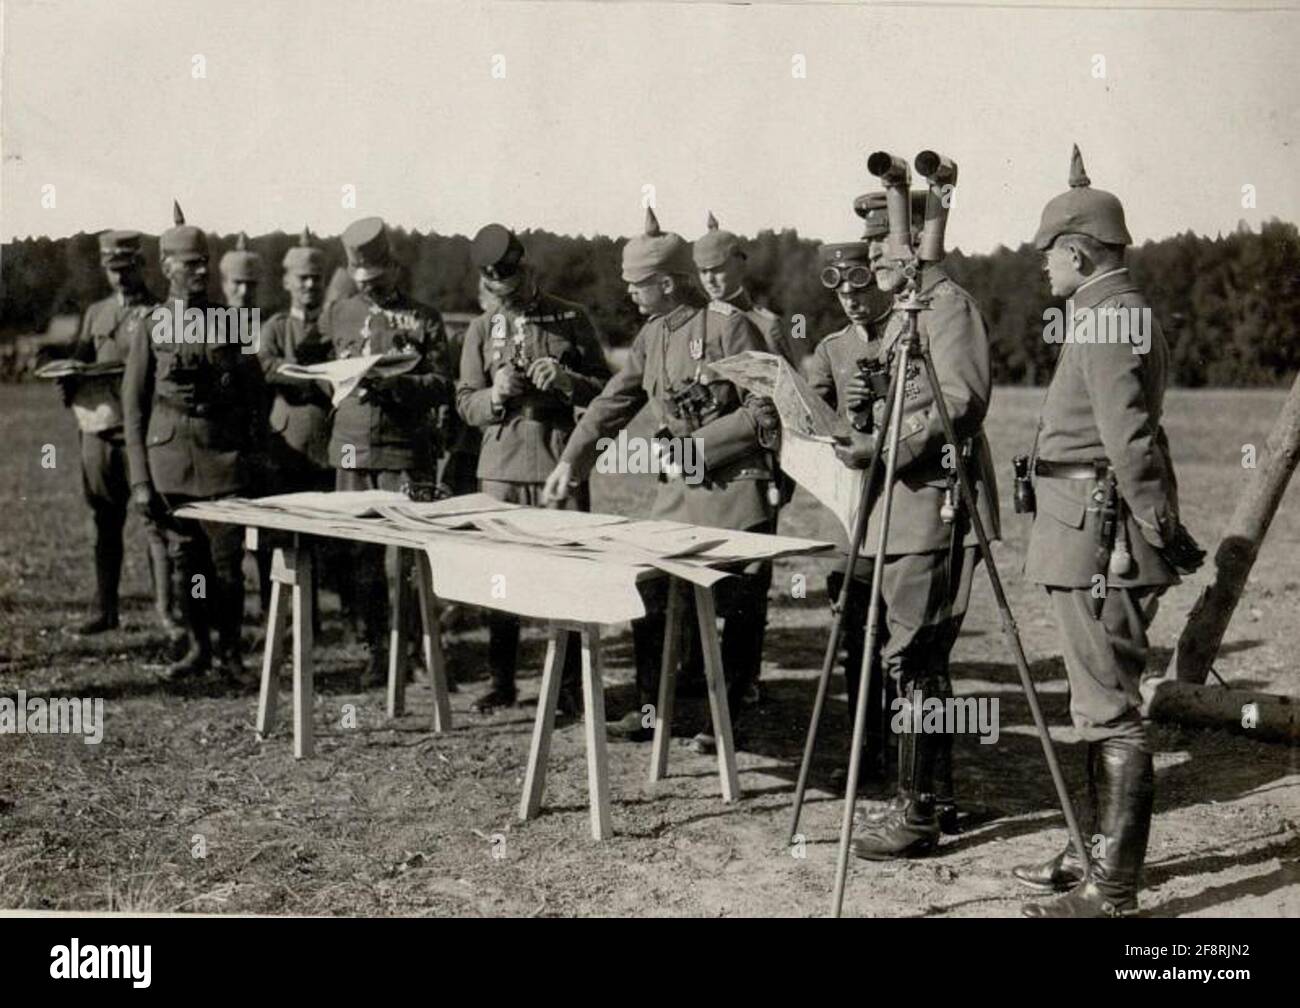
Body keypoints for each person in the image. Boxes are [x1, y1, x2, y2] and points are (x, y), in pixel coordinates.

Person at [1014, 146, 1202, 917]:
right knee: (1095, 699)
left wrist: (1156, 523)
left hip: (1098, 537)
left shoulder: (1104, 318)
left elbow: (1127, 440)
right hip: (1091, 529)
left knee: (1109, 708)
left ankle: (1113, 889)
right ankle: (1087, 851)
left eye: (1047, 258)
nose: (1042, 271)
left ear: (1078, 252)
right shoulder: (1111, 312)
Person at [542, 208, 778, 751]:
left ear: (667, 283)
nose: (630, 294)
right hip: (678, 495)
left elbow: (764, 412)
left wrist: (694, 450)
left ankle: (729, 720)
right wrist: (571, 462)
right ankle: (653, 711)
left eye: (637, 285)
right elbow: (613, 402)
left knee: (736, 606)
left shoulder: (729, 326)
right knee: (651, 594)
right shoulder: (652, 337)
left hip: (734, 492)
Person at [813, 190, 999, 861]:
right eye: (870, 244)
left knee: (914, 657)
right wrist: (867, 407)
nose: (873, 257)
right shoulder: (903, 313)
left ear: (917, 239)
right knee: (911, 655)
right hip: (897, 507)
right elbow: (906, 396)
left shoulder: (944, 305)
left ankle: (917, 813)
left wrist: (884, 447)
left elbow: (960, 400)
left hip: (931, 504)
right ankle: (936, 800)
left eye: (883, 243)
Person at [456, 224, 610, 715]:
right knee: (499, 577)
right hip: (499, 465)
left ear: (527, 268)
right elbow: (463, 400)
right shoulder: (481, 330)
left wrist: (567, 381)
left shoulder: (571, 317)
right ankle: (503, 680)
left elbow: (609, 391)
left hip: (556, 460)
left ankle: (569, 684)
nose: (510, 296)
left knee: (566, 573)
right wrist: (494, 394)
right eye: (499, 290)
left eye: (515, 283)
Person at [122, 202, 267, 681]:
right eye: (190, 264)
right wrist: (141, 480)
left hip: (223, 457)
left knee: (227, 563)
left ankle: (231, 653)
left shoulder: (234, 321)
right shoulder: (150, 325)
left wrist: (252, 457)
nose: (201, 270)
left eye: (205, 261)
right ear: (166, 268)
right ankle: (197, 647)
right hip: (171, 461)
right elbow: (134, 405)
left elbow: (254, 396)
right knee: (190, 564)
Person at [321, 216, 454, 684]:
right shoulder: (338, 312)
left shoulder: (424, 318)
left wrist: (396, 387)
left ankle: (415, 649)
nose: (372, 290)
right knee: (360, 557)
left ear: (393, 268)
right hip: (352, 448)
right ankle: (375, 649)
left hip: (404, 449)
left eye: (378, 281)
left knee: (409, 558)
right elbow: (321, 367)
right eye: (364, 283)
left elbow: (442, 383)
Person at [61, 230, 178, 640]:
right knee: (103, 523)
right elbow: (80, 358)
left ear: (142, 266)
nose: (120, 279)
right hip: (99, 432)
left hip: (144, 436)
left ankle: (169, 612)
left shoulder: (160, 314)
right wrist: (68, 374)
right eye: (113, 271)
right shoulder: (96, 314)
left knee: (156, 524)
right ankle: (106, 609)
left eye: (127, 270)